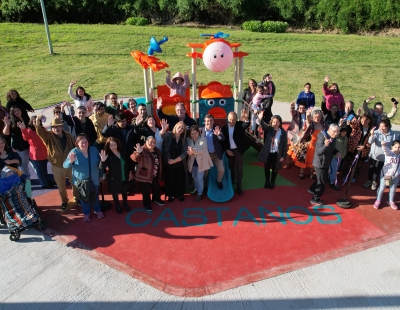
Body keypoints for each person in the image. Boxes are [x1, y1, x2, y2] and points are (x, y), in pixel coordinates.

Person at [35, 116, 80, 211]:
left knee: (75, 183)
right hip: (57, 166)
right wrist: (38, 120)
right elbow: (39, 131)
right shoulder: (48, 136)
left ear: (62, 126)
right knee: (61, 186)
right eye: (54, 127)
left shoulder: (68, 135)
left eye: (58, 126)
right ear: (51, 128)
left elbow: (74, 147)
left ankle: (77, 198)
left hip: (70, 164)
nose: (56, 128)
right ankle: (64, 201)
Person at [63, 134, 104, 222]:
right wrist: (70, 162)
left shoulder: (94, 150)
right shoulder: (74, 152)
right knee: (84, 198)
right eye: (82, 143)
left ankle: (97, 210)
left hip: (94, 179)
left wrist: (101, 174)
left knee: (95, 195)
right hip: (82, 181)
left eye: (86, 142)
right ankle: (86, 212)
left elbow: (100, 164)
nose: (84, 144)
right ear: (77, 143)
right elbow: (65, 165)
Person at [288, 109, 328, 179]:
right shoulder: (311, 123)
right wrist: (308, 115)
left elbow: (327, 134)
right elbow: (307, 121)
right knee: (304, 158)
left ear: (321, 117)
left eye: (318, 117)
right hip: (309, 144)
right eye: (315, 117)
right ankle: (302, 171)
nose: (317, 118)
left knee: (314, 159)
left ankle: (311, 172)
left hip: (319, 145)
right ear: (312, 117)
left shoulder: (324, 124)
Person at [308, 124, 340, 205]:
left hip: (326, 162)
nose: (336, 133)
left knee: (322, 178)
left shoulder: (333, 137)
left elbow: (332, 147)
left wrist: (336, 152)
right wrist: (325, 145)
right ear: (329, 129)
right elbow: (318, 152)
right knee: (322, 182)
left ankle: (312, 189)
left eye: (338, 132)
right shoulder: (322, 137)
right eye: (334, 131)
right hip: (320, 163)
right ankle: (315, 199)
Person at [19, 116, 55, 189]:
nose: (36, 123)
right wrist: (23, 129)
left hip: (44, 152)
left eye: (37, 121)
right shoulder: (29, 130)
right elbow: (25, 137)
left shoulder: (42, 129)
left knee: (44, 169)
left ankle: (47, 180)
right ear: (31, 122)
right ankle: (44, 183)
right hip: (36, 153)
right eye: (34, 121)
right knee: (39, 170)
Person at [131, 136, 164, 212]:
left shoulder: (157, 150)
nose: (152, 144)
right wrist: (138, 153)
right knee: (146, 191)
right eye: (150, 142)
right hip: (144, 176)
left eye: (154, 142)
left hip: (154, 174)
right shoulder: (142, 149)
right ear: (146, 142)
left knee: (156, 188)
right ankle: (147, 204)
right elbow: (134, 158)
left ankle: (156, 199)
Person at [221, 109, 250, 195]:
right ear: (227, 119)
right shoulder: (225, 128)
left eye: (233, 119)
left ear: (236, 119)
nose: (232, 121)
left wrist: (246, 118)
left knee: (239, 169)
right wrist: (226, 150)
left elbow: (246, 124)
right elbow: (223, 141)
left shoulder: (239, 125)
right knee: (231, 168)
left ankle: (239, 186)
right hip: (230, 151)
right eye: (230, 119)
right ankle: (232, 183)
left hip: (238, 150)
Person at [100, 137, 130, 214]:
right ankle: (117, 206)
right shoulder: (108, 156)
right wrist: (102, 161)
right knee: (115, 193)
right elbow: (101, 167)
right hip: (114, 178)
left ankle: (125, 204)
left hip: (124, 176)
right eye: (111, 145)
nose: (113, 146)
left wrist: (130, 173)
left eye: (114, 144)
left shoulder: (122, 153)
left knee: (124, 192)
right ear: (108, 147)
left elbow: (127, 164)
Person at [365, 119, 397, 190]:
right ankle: (368, 180)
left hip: (384, 156)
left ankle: (374, 182)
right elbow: (370, 141)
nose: (381, 128)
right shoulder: (376, 132)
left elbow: (394, 144)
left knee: (377, 170)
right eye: (380, 126)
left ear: (388, 126)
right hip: (374, 155)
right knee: (371, 168)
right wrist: (372, 134)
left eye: (383, 126)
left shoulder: (392, 134)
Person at [160, 119, 188, 202]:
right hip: (168, 162)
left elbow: (184, 153)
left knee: (179, 179)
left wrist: (174, 160)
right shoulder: (169, 135)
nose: (180, 129)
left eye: (182, 128)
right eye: (179, 127)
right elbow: (161, 136)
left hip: (179, 162)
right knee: (170, 179)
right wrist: (163, 129)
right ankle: (170, 195)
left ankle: (180, 194)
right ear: (175, 127)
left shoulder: (184, 139)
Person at [257, 113, 287, 189]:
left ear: (280, 123)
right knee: (266, 167)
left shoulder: (283, 133)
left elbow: (284, 145)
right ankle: (267, 181)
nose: (275, 124)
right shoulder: (269, 129)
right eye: (274, 122)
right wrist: (261, 119)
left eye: (277, 122)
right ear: (271, 122)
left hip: (276, 154)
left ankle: (272, 181)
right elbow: (263, 125)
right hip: (268, 152)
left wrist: (283, 156)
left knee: (275, 168)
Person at [341, 114, 372, 184]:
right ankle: (344, 176)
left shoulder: (371, 129)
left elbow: (371, 141)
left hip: (363, 150)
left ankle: (353, 177)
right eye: (363, 119)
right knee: (348, 163)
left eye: (367, 119)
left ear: (370, 120)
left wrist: (365, 146)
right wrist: (357, 115)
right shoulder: (357, 125)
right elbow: (352, 123)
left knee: (358, 165)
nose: (364, 121)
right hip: (352, 148)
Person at [2, 107, 30, 178]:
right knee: (24, 166)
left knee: (34, 164)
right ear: (12, 113)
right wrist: (7, 124)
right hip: (20, 147)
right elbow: (6, 133)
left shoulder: (25, 118)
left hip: (30, 145)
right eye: (15, 111)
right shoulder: (12, 122)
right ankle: (26, 181)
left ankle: (41, 179)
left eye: (18, 110)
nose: (17, 112)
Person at [187, 125, 213, 202]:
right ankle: (196, 189)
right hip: (193, 161)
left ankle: (200, 193)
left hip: (201, 161)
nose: (193, 135)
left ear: (198, 133)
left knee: (199, 178)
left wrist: (193, 150)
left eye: (195, 133)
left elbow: (201, 149)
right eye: (192, 134)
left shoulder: (203, 139)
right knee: (194, 177)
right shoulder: (189, 140)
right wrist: (190, 152)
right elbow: (188, 149)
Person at [373, 140, 400, 210]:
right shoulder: (389, 153)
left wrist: (397, 175)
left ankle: (390, 201)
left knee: (393, 189)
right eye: (395, 147)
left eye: (399, 147)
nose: (397, 149)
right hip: (387, 175)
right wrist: (383, 145)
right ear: (392, 147)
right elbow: (385, 150)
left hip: (395, 176)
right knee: (382, 188)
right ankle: (378, 200)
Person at [201, 114, 225, 190]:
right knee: (205, 171)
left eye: (211, 121)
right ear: (204, 122)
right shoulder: (200, 131)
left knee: (221, 170)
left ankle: (218, 181)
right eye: (207, 121)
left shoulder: (217, 128)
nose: (209, 122)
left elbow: (223, 138)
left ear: (213, 121)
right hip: (206, 155)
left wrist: (218, 135)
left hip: (216, 154)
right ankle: (204, 184)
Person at [285, 101, 307, 168]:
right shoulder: (296, 113)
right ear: (298, 108)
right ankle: (288, 162)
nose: (302, 110)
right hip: (293, 133)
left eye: (303, 108)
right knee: (293, 148)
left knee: (300, 149)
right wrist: (292, 107)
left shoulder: (307, 115)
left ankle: (297, 161)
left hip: (302, 135)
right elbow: (292, 112)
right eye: (300, 108)